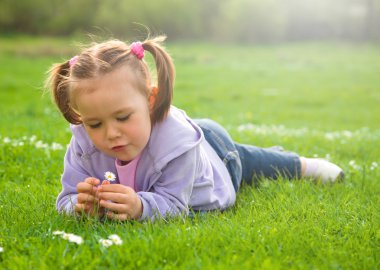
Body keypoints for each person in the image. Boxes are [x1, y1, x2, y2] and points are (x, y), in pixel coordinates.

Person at [46, 36, 344, 221]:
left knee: (252, 162)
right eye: (95, 123)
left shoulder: (178, 143)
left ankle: (305, 165)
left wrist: (139, 207)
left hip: (217, 153)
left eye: (123, 117)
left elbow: (175, 205)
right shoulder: (84, 144)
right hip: (187, 139)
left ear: (151, 100)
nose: (111, 134)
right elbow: (66, 198)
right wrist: (79, 205)